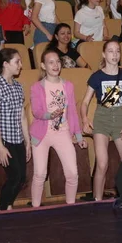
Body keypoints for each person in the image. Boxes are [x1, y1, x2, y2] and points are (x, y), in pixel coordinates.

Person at [80, 39, 122, 201]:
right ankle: (97, 201)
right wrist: (85, 119)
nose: (115, 55)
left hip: (121, 118)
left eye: (117, 51)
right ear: (104, 55)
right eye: (111, 51)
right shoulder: (96, 77)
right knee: (102, 164)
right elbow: (84, 102)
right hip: (102, 119)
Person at [30, 48, 86, 207]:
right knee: (40, 174)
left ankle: (70, 206)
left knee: (72, 174)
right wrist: (50, 115)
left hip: (63, 133)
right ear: (43, 65)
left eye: (57, 61)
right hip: (42, 134)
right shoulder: (37, 87)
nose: (55, 65)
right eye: (51, 62)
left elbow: (73, 112)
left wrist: (79, 136)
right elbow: (36, 111)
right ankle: (35, 208)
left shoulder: (68, 85)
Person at [0, 48, 31, 211]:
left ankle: (8, 206)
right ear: (6, 64)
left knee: (21, 178)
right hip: (3, 139)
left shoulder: (18, 87)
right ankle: (2, 209)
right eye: (17, 61)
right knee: (14, 176)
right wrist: (0, 146)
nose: (20, 64)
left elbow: (23, 117)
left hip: (17, 137)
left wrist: (27, 142)